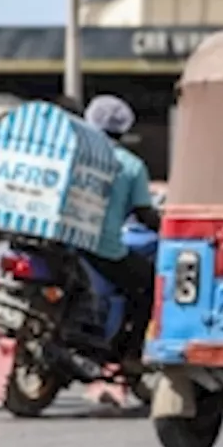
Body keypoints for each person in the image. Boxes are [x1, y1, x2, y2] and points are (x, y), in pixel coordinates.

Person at [82, 95, 160, 365]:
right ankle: (130, 353)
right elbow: (144, 213)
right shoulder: (131, 165)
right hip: (103, 248)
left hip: (66, 243)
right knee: (150, 285)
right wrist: (167, 225)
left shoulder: (76, 153)